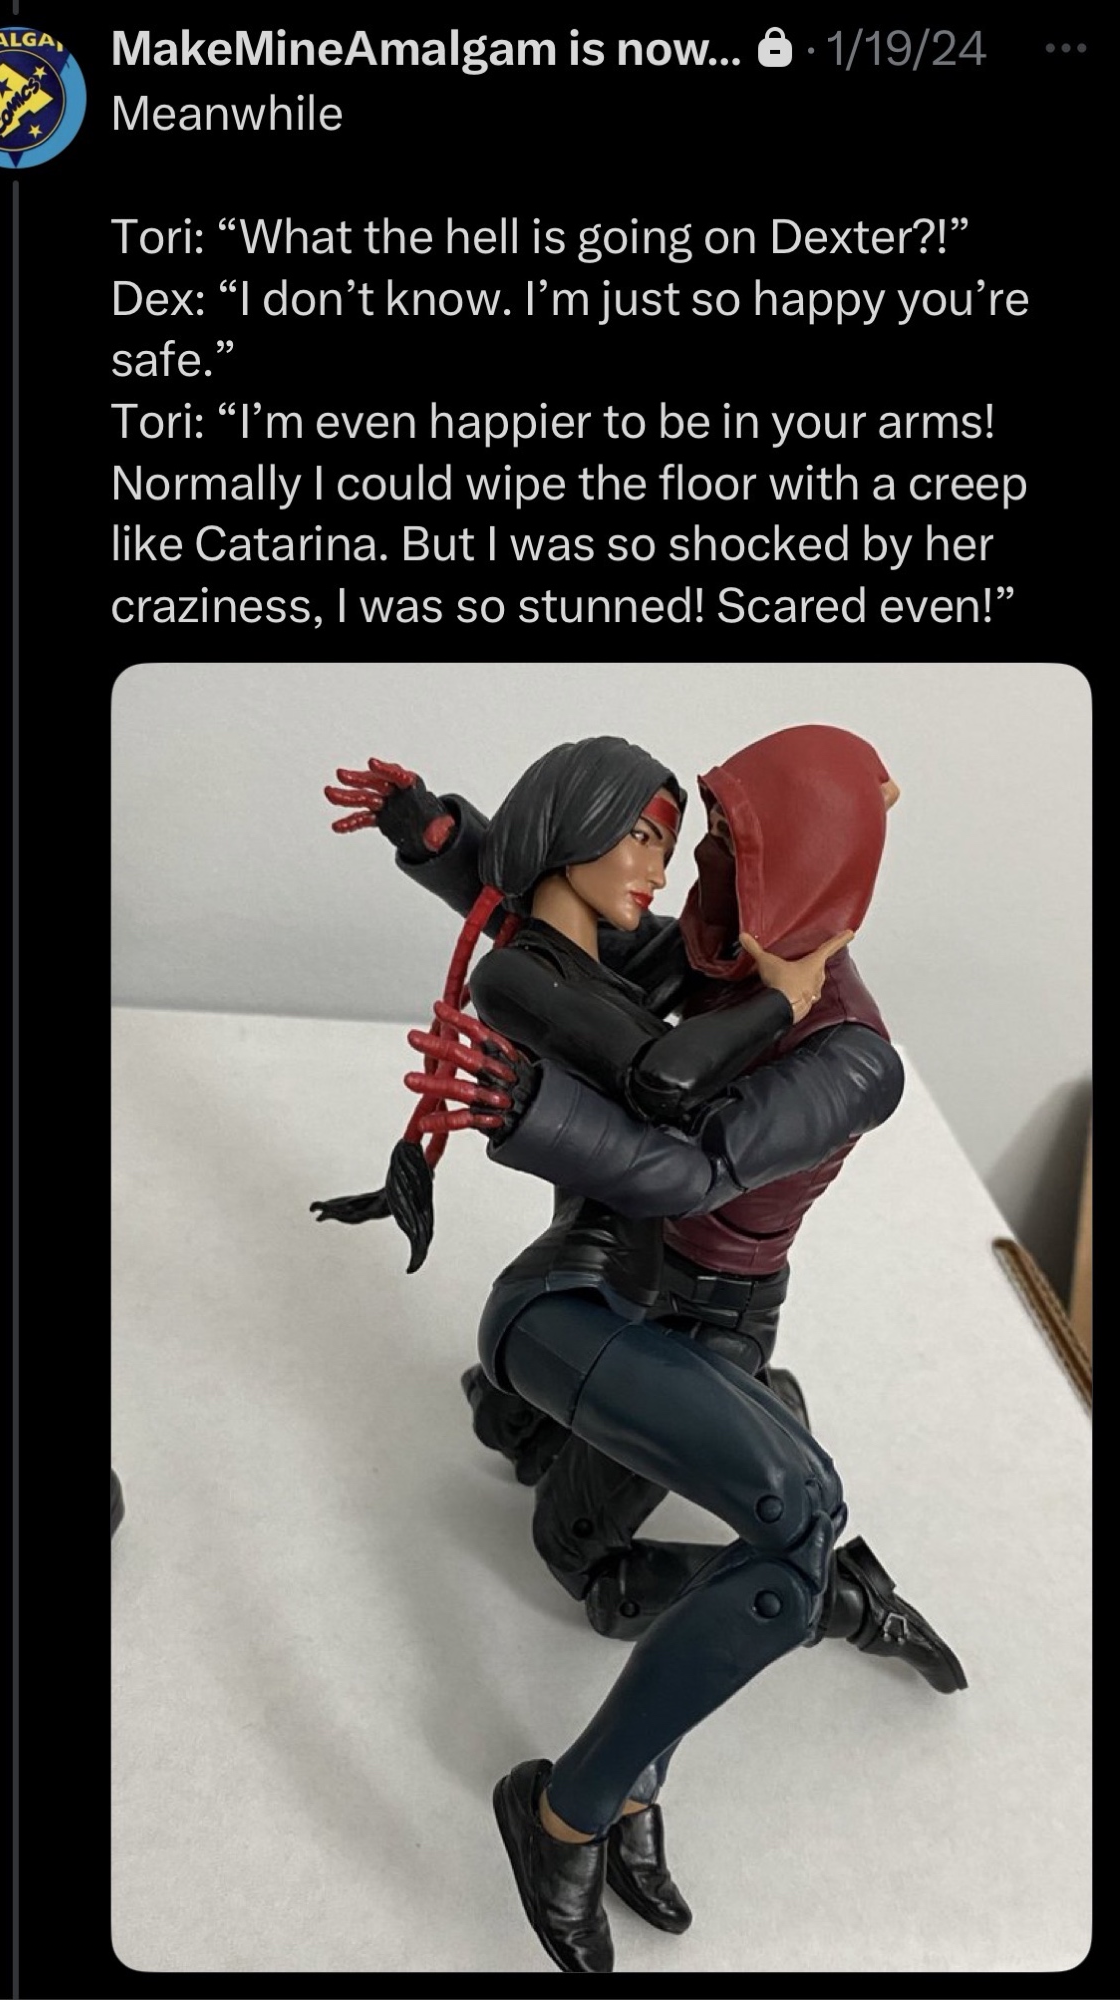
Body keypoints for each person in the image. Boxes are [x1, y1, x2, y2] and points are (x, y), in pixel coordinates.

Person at [314, 736, 915, 1973]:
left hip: (707, 1311)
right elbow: (554, 918)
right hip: (589, 1292)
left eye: (719, 851)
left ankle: (623, 1773)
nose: (687, 877)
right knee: (650, 1530)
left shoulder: (849, 1052)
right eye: (692, 844)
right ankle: (585, 1800)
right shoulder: (717, 947)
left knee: (711, 1537)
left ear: (802, 871)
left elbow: (688, 1163)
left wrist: (532, 1109)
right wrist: (445, 841)